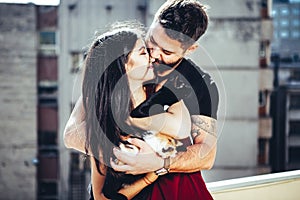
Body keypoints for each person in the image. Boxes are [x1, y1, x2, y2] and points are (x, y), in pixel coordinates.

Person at [64, 0, 219, 199]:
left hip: (171, 190)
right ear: (153, 23)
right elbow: (71, 134)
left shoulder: (199, 86)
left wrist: (159, 164)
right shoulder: (121, 60)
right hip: (117, 191)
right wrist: (123, 154)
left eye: (167, 52)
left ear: (190, 50)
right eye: (152, 42)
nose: (154, 55)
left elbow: (206, 155)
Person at [73, 24, 192, 200]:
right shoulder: (104, 120)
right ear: (124, 65)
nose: (152, 57)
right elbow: (100, 197)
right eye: (143, 53)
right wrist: (151, 176)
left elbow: (182, 129)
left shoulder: (161, 92)